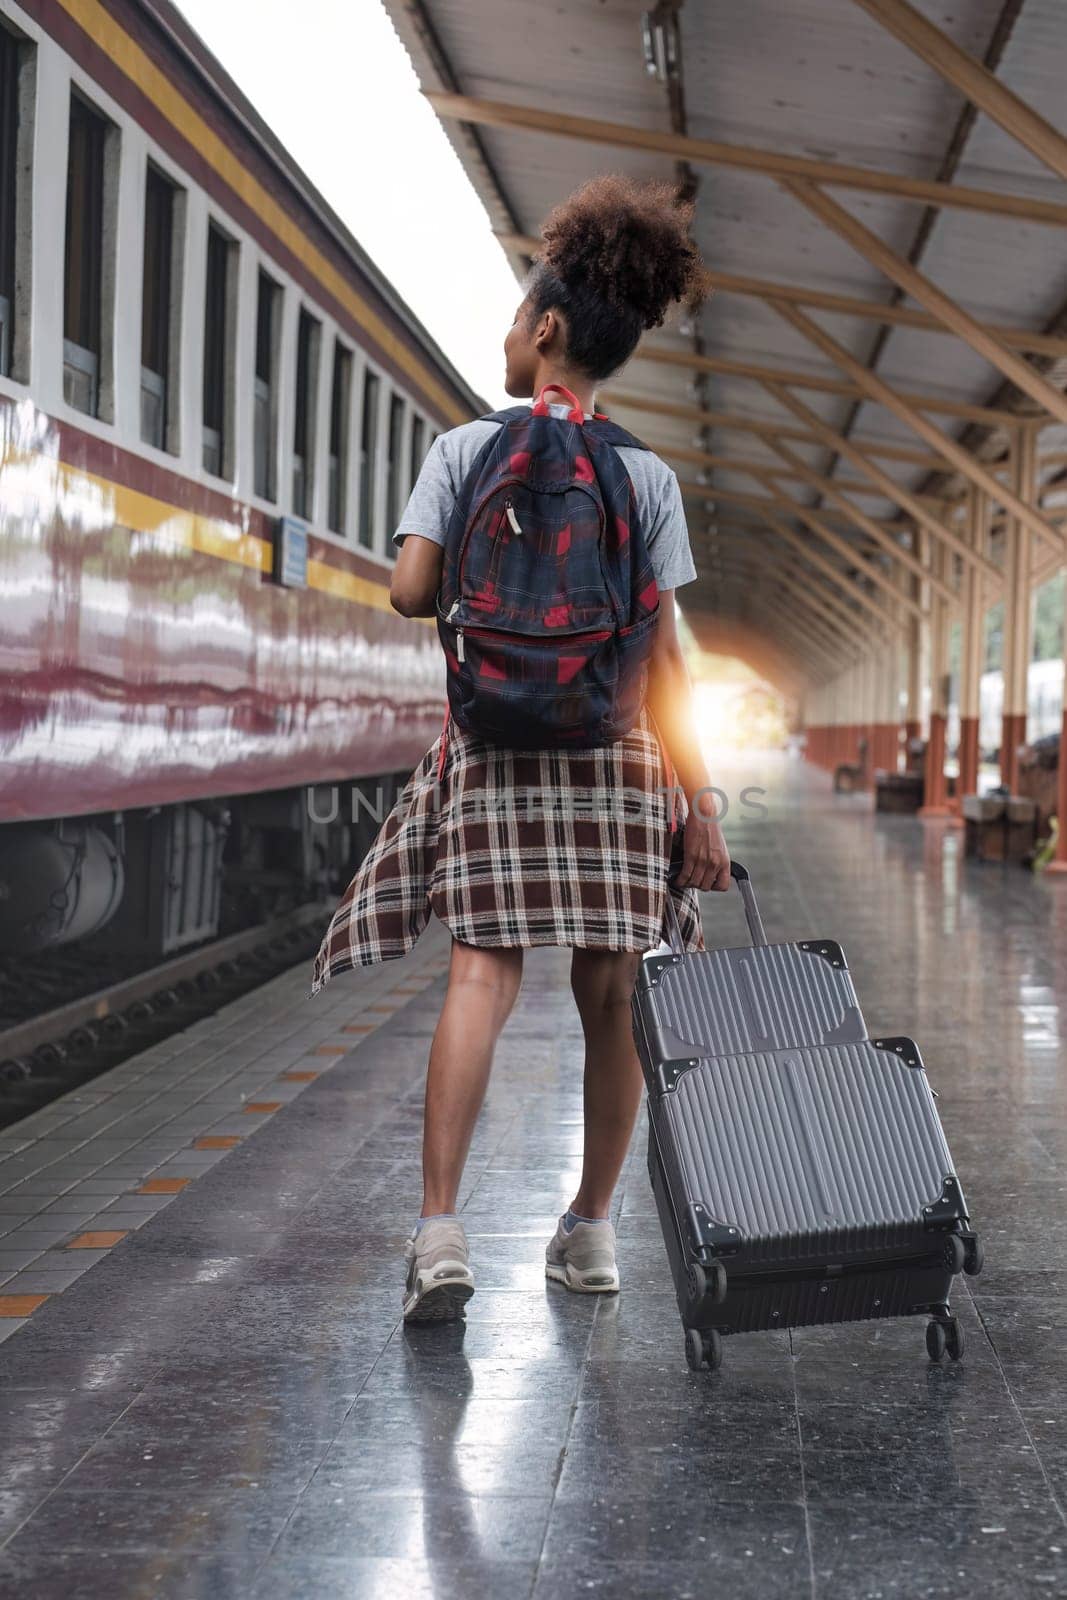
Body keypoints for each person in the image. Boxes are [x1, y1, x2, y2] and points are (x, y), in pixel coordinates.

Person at [310, 176, 730, 1322]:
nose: (505, 336)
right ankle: (588, 1233)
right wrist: (702, 807)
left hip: (492, 749)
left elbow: (406, 592)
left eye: (512, 319)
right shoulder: (645, 475)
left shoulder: (460, 449)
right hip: (615, 756)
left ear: (543, 328)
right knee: (610, 995)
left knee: (480, 975)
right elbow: (666, 659)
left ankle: (440, 1232)